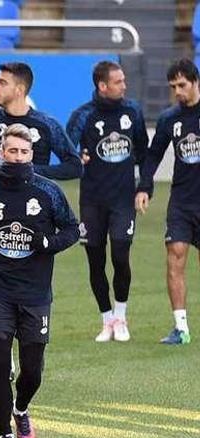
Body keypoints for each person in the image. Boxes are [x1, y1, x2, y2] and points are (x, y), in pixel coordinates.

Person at [0, 123, 78, 438]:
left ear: (32, 155)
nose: (19, 157)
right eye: (13, 151)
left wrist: (47, 243)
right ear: (1, 152)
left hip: (36, 294)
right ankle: (3, 434)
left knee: (33, 371)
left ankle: (21, 409)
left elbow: (71, 229)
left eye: (24, 152)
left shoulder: (49, 191)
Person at [67, 61, 147, 342]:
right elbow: (67, 148)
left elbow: (143, 151)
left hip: (123, 200)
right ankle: (106, 320)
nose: (124, 85)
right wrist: (78, 157)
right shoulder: (83, 115)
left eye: (124, 80)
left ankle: (121, 316)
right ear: (102, 86)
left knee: (120, 257)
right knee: (96, 262)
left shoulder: (133, 111)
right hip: (92, 201)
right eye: (118, 82)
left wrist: (144, 186)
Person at [136, 58, 200, 345]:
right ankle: (181, 328)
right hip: (182, 202)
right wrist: (145, 187)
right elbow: (153, 155)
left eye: (182, 85)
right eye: (173, 86)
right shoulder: (168, 119)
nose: (177, 92)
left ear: (196, 82)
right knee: (174, 256)